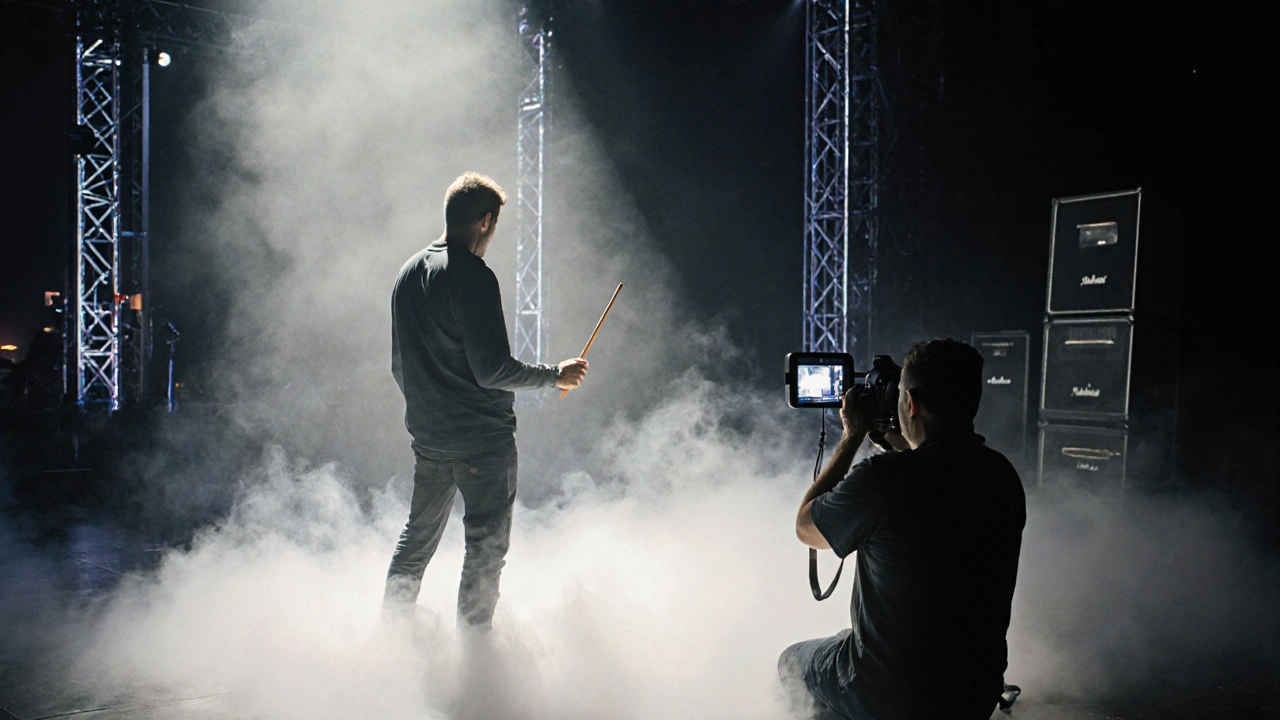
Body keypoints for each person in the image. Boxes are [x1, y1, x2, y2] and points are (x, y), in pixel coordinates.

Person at [780, 338, 1026, 719]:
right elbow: (939, 484)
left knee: (791, 661)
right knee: (842, 642)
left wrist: (851, 437)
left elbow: (806, 527)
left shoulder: (884, 481)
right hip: (973, 694)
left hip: (893, 697)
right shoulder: (1001, 475)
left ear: (909, 403)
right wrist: (903, 446)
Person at [384, 172, 588, 629]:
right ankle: (475, 665)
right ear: (485, 222)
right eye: (494, 227)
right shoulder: (473, 276)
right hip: (481, 441)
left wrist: (431, 412)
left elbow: (398, 367)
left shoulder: (407, 273)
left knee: (415, 542)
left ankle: (390, 644)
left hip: (430, 439)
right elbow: (492, 370)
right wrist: (555, 376)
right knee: (484, 549)